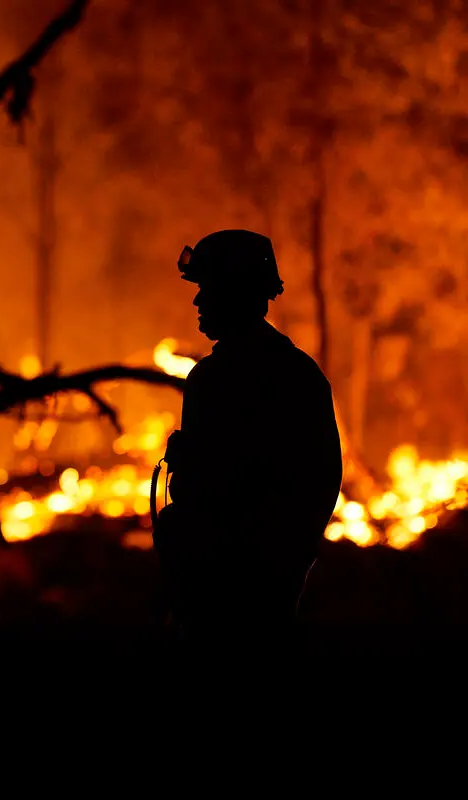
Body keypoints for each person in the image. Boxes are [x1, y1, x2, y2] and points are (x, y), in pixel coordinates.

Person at [152, 229, 343, 646]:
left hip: (226, 595)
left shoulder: (214, 380)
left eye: (207, 288)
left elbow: (203, 491)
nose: (197, 301)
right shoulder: (301, 376)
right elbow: (323, 483)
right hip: (264, 588)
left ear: (238, 291)